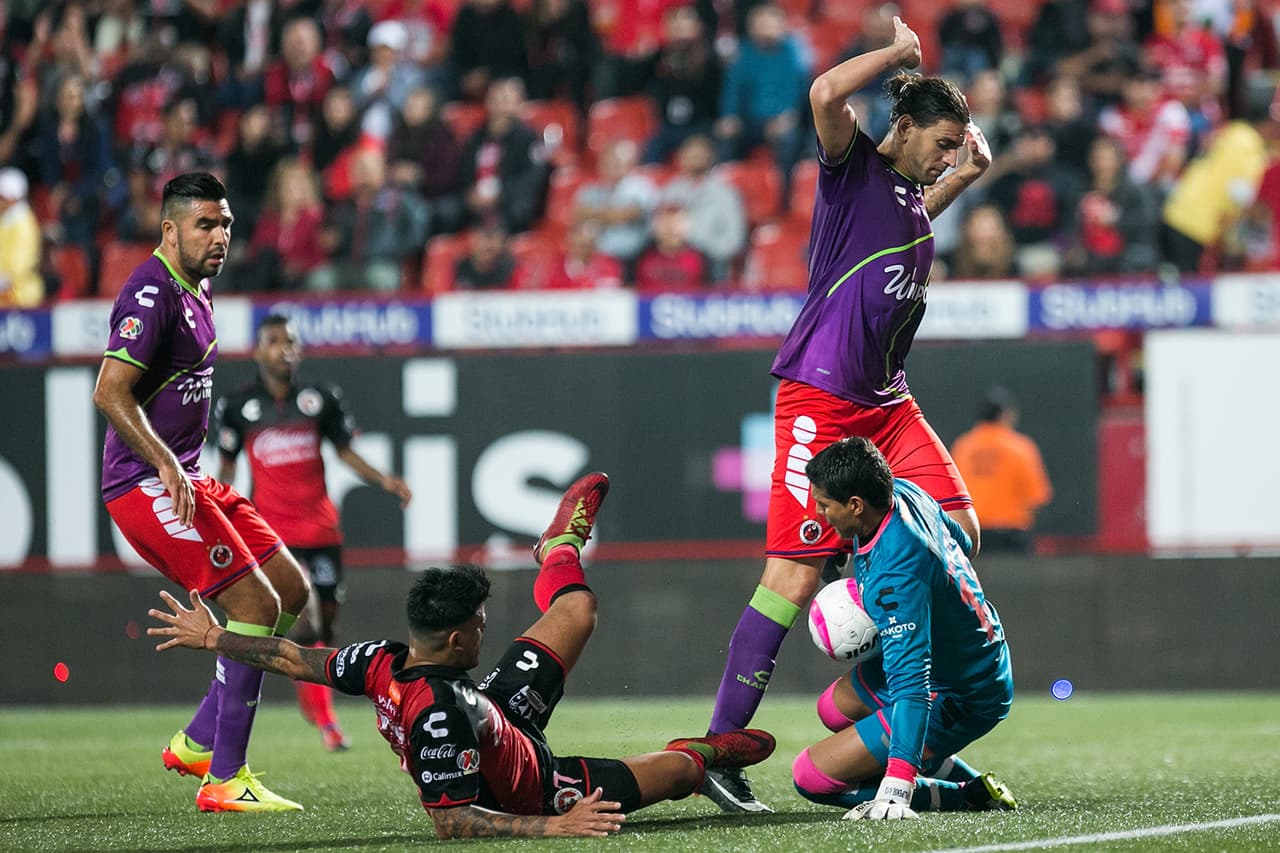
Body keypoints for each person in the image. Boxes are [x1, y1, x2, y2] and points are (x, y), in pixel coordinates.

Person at [701, 15, 992, 814]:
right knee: (789, 578)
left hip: (890, 404)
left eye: (951, 145)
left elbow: (910, 218)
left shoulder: (907, 195)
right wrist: (899, 52)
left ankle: (872, 637)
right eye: (939, 142)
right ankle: (720, 750)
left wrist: (965, 176)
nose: (943, 154)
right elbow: (826, 90)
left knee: (961, 530)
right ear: (902, 128)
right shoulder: (851, 167)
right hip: (822, 403)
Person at [147, 473, 776, 838]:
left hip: (498, 711)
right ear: (455, 641)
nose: (485, 632)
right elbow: (454, 825)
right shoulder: (438, 715)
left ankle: (559, 546)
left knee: (577, 611)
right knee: (679, 773)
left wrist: (216, 638)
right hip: (537, 787)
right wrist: (549, 828)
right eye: (478, 625)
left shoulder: (380, 661)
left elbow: (290, 656)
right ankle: (709, 757)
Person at [92, 173, 311, 812]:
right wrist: (162, 463)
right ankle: (225, 777)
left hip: (189, 475)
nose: (220, 238)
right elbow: (109, 391)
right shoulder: (150, 292)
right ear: (170, 228)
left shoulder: (198, 284)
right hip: (144, 484)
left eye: (226, 225)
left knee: (291, 591)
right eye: (205, 226)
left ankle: (198, 740)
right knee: (253, 601)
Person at [214, 314, 414, 751]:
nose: (284, 348)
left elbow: (345, 452)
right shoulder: (238, 406)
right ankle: (327, 722)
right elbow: (226, 470)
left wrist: (385, 481)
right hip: (270, 534)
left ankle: (317, 705)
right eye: (274, 341)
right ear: (257, 350)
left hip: (322, 531)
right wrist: (218, 515)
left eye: (291, 341)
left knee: (327, 630)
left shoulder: (320, 398)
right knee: (307, 628)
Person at [791, 436, 1016, 820]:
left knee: (811, 777)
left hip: (964, 694)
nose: (820, 513)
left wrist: (896, 785)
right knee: (833, 708)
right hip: (977, 654)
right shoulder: (906, 494)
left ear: (856, 505)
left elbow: (912, 686)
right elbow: (959, 542)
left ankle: (965, 795)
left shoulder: (895, 579)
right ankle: (951, 768)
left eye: (825, 505)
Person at [949, 387, 1053, 554]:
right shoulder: (1021, 448)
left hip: (974, 539)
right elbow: (1037, 498)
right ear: (1005, 414)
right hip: (1012, 539)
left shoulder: (962, 447)